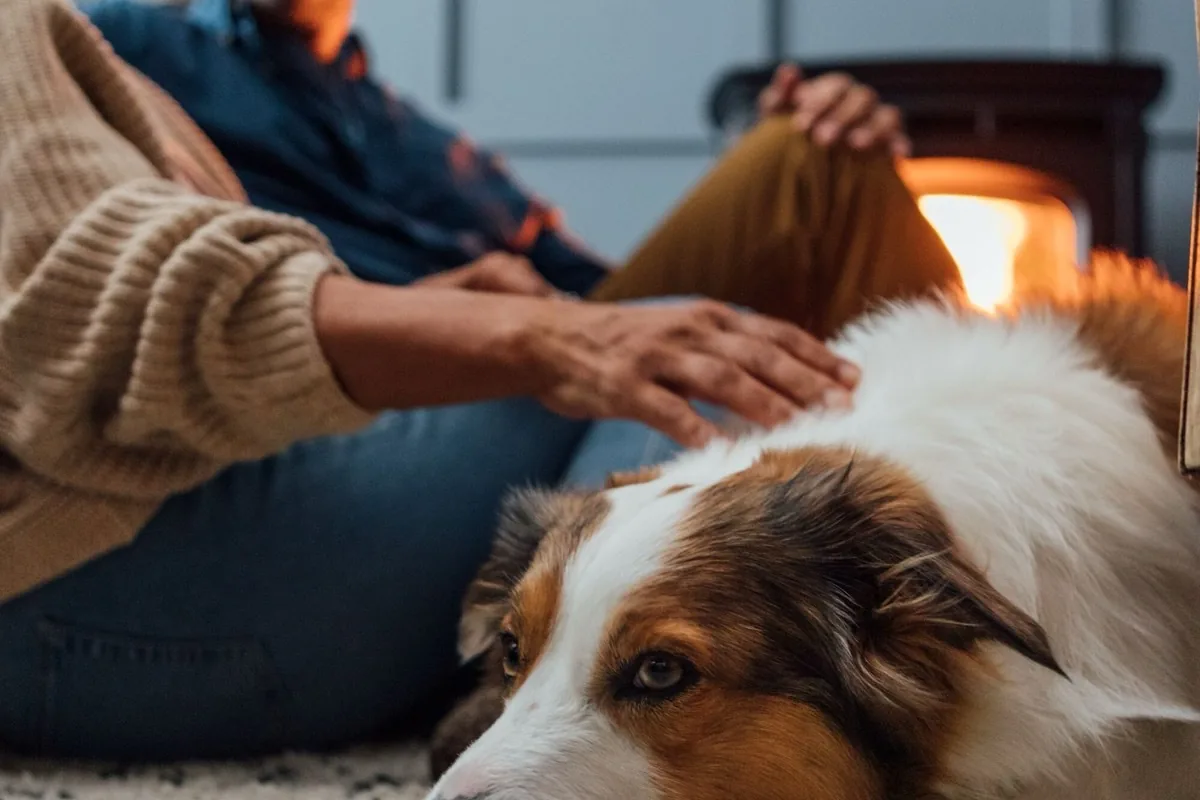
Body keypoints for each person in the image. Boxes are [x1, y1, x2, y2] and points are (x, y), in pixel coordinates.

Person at [0, 0, 963, 761]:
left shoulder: (406, 129)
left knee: (804, 178)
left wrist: (523, 315)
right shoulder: (115, 45)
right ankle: (556, 682)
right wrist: (527, 333)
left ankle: (990, 553)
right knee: (703, 378)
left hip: (404, 425)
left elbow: (605, 295)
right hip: (197, 512)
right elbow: (108, 294)